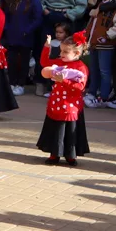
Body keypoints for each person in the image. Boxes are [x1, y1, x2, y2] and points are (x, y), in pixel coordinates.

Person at [37, 31, 91, 165]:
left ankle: (70, 155)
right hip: (57, 102)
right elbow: (45, 63)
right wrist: (47, 47)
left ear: (77, 54)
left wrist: (64, 81)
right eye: (61, 51)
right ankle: (54, 154)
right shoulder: (60, 62)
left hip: (71, 106)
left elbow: (80, 87)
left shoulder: (81, 68)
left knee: (70, 130)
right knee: (56, 128)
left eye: (65, 52)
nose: (61, 54)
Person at [83, 0, 116, 107]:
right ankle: (92, 92)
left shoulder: (115, 8)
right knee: (94, 69)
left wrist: (107, 36)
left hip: (106, 44)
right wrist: (87, 35)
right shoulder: (100, 5)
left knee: (104, 71)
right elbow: (92, 23)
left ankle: (104, 96)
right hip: (94, 42)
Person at [3, 0, 44, 93]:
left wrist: (27, 30)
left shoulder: (34, 1)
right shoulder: (13, 0)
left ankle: (20, 84)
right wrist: (7, 28)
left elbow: (37, 19)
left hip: (26, 37)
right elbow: (7, 15)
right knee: (12, 60)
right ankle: (11, 82)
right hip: (12, 35)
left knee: (24, 62)